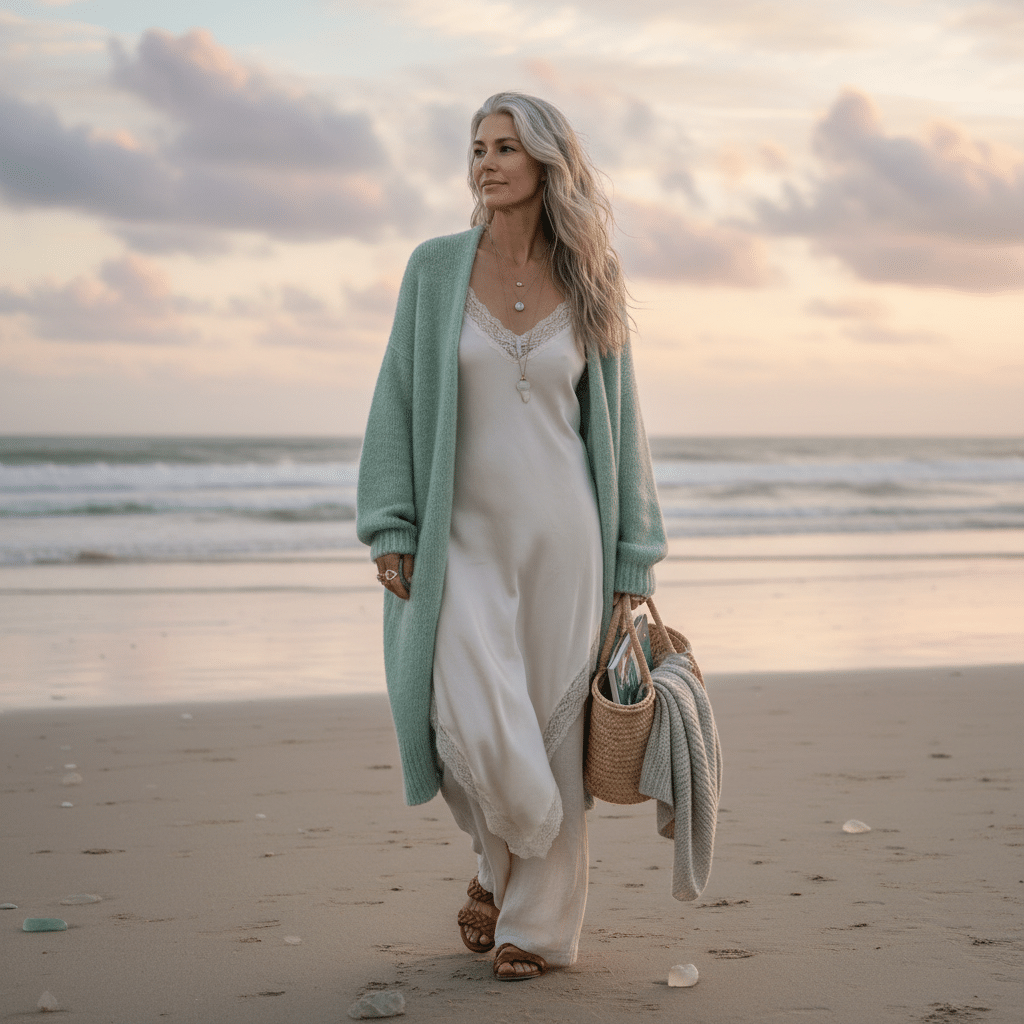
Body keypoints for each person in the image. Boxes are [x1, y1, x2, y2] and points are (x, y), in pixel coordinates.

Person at [356, 91, 666, 980]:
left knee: (551, 730)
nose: (485, 163)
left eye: (504, 147)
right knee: (467, 715)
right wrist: (390, 520)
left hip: (567, 540)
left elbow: (623, 427)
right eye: (477, 148)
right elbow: (397, 398)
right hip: (461, 538)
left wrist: (632, 556)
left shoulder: (591, 282)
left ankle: (535, 928)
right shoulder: (435, 269)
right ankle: (498, 859)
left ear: (545, 163)